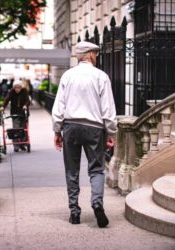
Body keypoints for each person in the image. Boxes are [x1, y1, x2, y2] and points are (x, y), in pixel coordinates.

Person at [51, 41, 117, 227]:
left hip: (71, 126)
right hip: (94, 128)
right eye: (96, 53)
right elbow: (108, 109)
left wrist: (57, 130)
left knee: (72, 170)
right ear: (89, 55)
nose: (97, 56)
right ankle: (97, 202)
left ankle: (74, 212)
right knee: (96, 169)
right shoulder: (101, 76)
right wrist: (111, 133)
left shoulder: (67, 76)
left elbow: (59, 107)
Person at [1, 80, 30, 152]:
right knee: (16, 129)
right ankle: (16, 145)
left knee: (24, 129)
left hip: (23, 113)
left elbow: (27, 100)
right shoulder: (12, 91)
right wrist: (3, 107)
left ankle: (22, 144)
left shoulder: (24, 91)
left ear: (21, 87)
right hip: (15, 113)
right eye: (16, 88)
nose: (17, 89)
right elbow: (7, 99)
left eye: (19, 87)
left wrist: (25, 105)